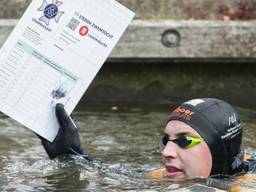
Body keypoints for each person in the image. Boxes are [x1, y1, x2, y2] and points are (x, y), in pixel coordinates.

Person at [38, 98, 256, 181]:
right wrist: (72, 155)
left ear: (221, 150)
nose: (166, 152)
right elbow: (107, 176)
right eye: (166, 140)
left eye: (184, 141)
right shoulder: (161, 177)